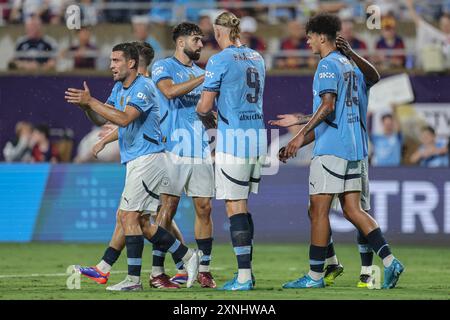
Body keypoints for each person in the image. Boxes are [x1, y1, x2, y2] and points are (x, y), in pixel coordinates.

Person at [277, 13, 403, 289]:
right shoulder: (352, 66)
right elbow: (372, 79)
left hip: (332, 149)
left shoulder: (326, 65)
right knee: (352, 210)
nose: (307, 41)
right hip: (356, 148)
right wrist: (300, 119)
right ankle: (390, 261)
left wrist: (297, 138)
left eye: (310, 36)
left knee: (318, 210)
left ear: (322, 37)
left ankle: (315, 276)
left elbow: (328, 107)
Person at [64, 42, 200, 291]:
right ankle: (186, 257)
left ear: (131, 63)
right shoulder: (119, 88)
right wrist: (87, 108)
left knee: (129, 217)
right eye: (111, 60)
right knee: (142, 222)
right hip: (137, 160)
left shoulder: (144, 88)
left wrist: (92, 101)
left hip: (149, 159)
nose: (111, 65)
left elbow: (125, 118)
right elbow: (103, 117)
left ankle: (133, 279)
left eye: (116, 60)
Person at [196, 11, 267, 291]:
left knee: (234, 206)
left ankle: (244, 277)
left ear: (218, 32)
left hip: (234, 139)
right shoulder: (257, 57)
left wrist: (205, 117)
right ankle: (247, 271)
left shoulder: (218, 60)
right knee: (243, 204)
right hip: (258, 137)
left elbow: (204, 106)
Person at [151, 22, 217, 289]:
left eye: (201, 40)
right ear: (181, 42)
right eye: (196, 40)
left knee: (205, 208)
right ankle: (157, 273)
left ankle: (204, 269)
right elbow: (168, 91)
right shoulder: (163, 66)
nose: (201, 45)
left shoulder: (201, 72)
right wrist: (205, 77)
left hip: (200, 149)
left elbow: (201, 110)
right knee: (167, 209)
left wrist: (208, 118)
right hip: (172, 150)